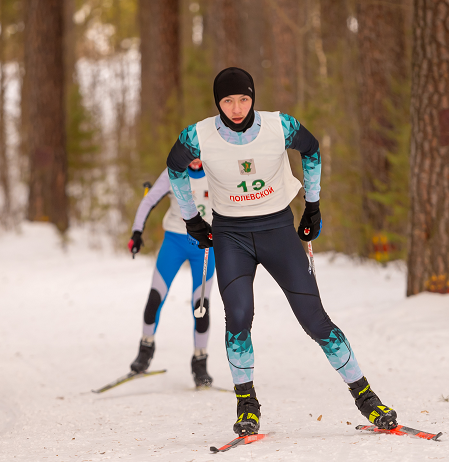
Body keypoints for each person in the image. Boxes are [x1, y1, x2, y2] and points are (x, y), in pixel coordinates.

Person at [165, 67, 398, 435]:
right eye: (227, 100)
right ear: (217, 103)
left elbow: (313, 149)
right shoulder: (199, 135)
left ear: (253, 97)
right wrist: (192, 218)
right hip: (231, 236)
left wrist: (313, 205)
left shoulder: (279, 126)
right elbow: (174, 166)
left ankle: (366, 397)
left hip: (277, 229)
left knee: (315, 319)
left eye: (243, 98)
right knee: (238, 318)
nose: (237, 107)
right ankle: (247, 406)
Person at [127, 159, 216, 387]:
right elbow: (148, 201)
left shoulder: (217, 168)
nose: (194, 158)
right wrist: (137, 233)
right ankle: (145, 349)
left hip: (205, 246)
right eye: (189, 152)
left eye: (198, 152)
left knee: (201, 306)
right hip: (174, 241)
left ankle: (200, 361)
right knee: (155, 297)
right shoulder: (173, 172)